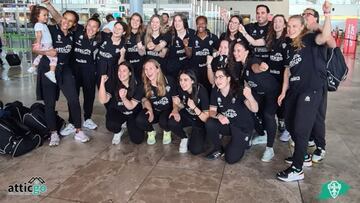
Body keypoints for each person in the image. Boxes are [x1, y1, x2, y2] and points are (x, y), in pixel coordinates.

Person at [276, 0, 333, 182]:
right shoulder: (290, 46)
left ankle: (297, 169)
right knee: (291, 125)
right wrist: (284, 92)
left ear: (302, 27)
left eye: (294, 26)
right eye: (289, 26)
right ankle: (304, 157)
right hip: (294, 90)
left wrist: (327, 14)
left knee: (300, 128)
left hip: (310, 90)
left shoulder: (310, 39)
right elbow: (287, 70)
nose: (290, 29)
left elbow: (324, 37)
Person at [33, 7, 90, 146]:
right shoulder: (50, 30)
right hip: (48, 69)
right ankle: (53, 133)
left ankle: (78, 130)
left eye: (71, 21)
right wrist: (47, 53)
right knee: (50, 104)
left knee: (74, 100)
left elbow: (90, 30)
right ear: (61, 18)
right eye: (65, 19)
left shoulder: (73, 34)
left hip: (65, 70)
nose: (66, 22)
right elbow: (34, 48)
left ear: (74, 24)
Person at [239, 15, 291, 144]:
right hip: (271, 79)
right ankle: (266, 132)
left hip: (284, 78)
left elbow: (288, 67)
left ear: (285, 25)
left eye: (280, 21)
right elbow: (255, 42)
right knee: (268, 109)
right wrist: (244, 32)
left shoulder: (289, 39)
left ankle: (289, 129)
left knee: (285, 105)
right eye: (275, 22)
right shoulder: (270, 39)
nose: (277, 24)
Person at [205, 68, 258, 164]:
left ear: (228, 79)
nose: (217, 80)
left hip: (242, 127)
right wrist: (219, 116)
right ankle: (218, 149)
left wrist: (250, 97)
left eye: (221, 77)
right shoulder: (215, 90)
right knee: (210, 122)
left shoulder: (238, 90)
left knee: (230, 159)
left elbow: (255, 109)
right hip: (229, 125)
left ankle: (246, 139)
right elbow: (212, 111)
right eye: (216, 77)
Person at [98, 62, 145, 144]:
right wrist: (102, 83)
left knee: (137, 139)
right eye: (119, 70)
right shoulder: (114, 82)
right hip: (118, 111)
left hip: (133, 113)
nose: (121, 73)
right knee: (111, 125)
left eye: (124, 71)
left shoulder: (138, 84)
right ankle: (118, 131)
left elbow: (131, 106)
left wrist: (124, 98)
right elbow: (103, 100)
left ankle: (130, 125)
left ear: (130, 73)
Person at [70, 17, 102, 131]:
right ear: (85, 26)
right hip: (75, 71)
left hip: (89, 72)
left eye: (94, 27)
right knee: (73, 97)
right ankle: (72, 121)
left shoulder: (100, 39)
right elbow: (62, 20)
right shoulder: (76, 33)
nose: (91, 28)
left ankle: (87, 118)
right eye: (89, 25)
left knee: (89, 96)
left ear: (98, 29)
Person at [135, 59, 176, 145]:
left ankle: (167, 131)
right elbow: (143, 99)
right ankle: (151, 131)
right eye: (146, 69)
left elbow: (175, 98)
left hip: (166, 110)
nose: (148, 72)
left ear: (157, 69)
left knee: (163, 121)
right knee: (140, 120)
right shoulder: (144, 84)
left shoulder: (169, 80)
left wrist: (175, 110)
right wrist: (149, 110)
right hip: (154, 110)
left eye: (151, 68)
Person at [168, 69, 209, 154]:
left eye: (186, 80)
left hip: (200, 121)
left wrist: (194, 107)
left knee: (195, 150)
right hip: (188, 116)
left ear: (192, 80)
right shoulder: (181, 89)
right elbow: (183, 106)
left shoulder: (201, 91)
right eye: (181, 80)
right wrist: (177, 106)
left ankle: (202, 137)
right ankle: (184, 137)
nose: (182, 83)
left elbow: (206, 118)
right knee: (171, 121)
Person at [29, 5, 57, 84]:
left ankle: (33, 66)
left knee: (40, 56)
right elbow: (39, 34)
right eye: (44, 15)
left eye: (47, 15)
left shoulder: (43, 24)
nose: (46, 17)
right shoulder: (38, 25)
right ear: (37, 16)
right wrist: (38, 43)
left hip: (45, 44)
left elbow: (53, 21)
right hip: (46, 44)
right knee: (54, 58)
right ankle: (51, 72)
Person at [190, 16, 219, 91]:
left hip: (208, 71)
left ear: (206, 24)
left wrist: (214, 55)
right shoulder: (192, 38)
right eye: (198, 23)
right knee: (197, 91)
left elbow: (219, 51)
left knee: (209, 90)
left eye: (203, 23)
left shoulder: (213, 37)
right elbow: (189, 55)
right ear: (196, 25)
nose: (200, 26)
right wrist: (186, 46)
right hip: (195, 71)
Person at [96, 21, 127, 86]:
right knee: (101, 91)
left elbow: (120, 64)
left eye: (119, 29)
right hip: (100, 70)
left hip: (112, 73)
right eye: (115, 27)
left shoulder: (123, 44)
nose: (116, 30)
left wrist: (122, 55)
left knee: (111, 93)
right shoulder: (104, 36)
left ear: (123, 32)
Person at [166, 13, 194, 78]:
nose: (177, 23)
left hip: (188, 70)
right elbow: (162, 45)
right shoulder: (170, 34)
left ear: (184, 22)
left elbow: (190, 55)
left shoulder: (192, 33)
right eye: (175, 21)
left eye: (179, 21)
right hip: (173, 70)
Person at [125, 13, 146, 80]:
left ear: (140, 23)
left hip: (140, 66)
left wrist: (141, 48)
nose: (135, 22)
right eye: (133, 20)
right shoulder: (125, 34)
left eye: (137, 20)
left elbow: (143, 53)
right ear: (130, 21)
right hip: (128, 67)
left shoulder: (144, 35)